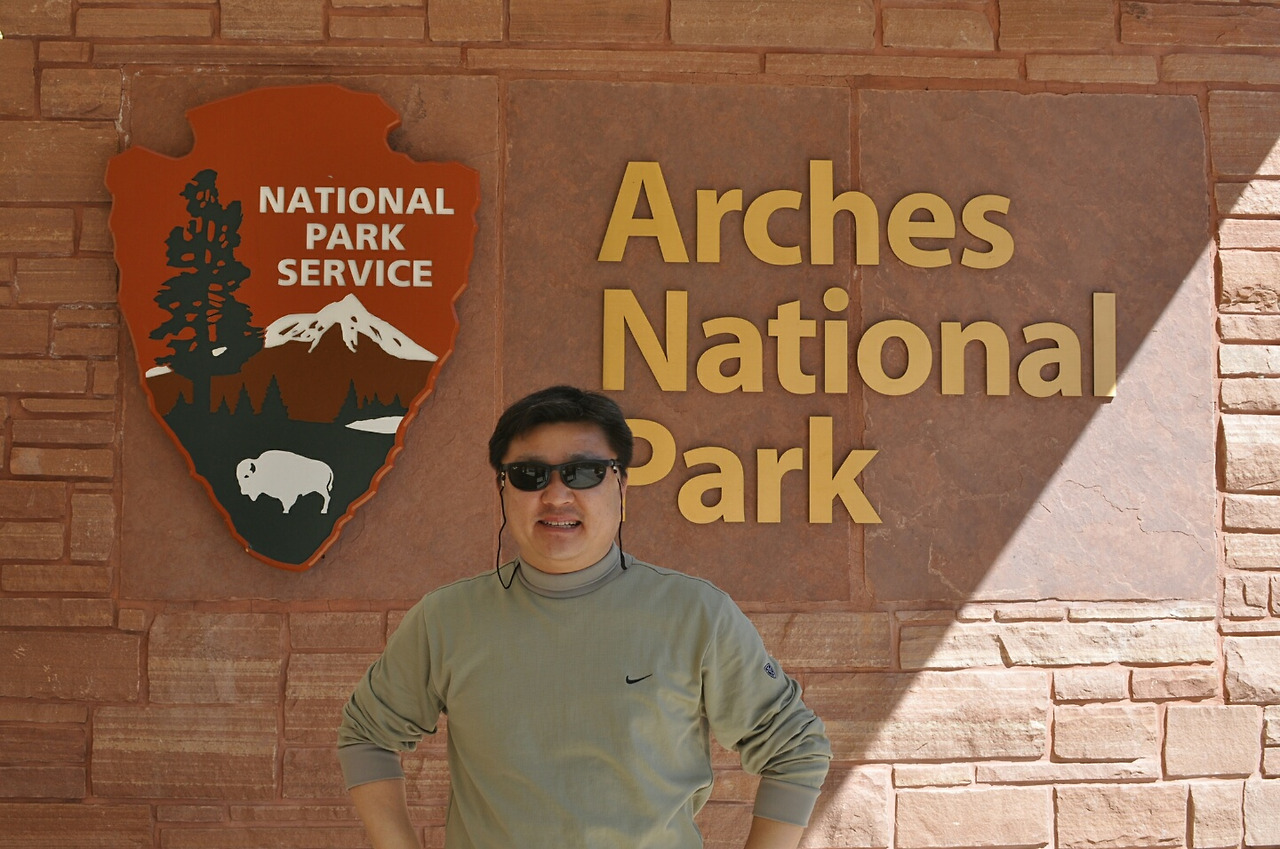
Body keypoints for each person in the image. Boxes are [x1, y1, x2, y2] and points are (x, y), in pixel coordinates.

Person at [338, 385, 831, 848]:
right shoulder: (446, 620)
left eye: (584, 472)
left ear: (622, 486)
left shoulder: (696, 614)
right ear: (503, 489)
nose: (556, 495)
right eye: (529, 475)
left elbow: (795, 748)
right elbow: (367, 733)